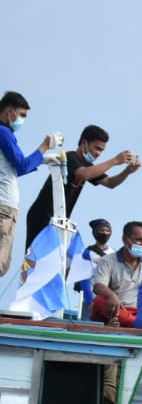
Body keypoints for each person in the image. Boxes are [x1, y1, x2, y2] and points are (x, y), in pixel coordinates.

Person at [25, 124, 140, 251]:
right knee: (34, 258)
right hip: (42, 216)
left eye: (102, 151)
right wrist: (114, 161)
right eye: (97, 148)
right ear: (84, 143)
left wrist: (127, 171)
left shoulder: (88, 166)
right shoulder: (69, 157)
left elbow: (110, 182)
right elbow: (84, 174)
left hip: (59, 221)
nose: (98, 153)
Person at [0, 91, 56, 275]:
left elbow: (15, 167)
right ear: (9, 112)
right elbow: (22, 165)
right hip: (4, 207)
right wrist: (44, 146)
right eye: (21, 115)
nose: (22, 120)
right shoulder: (3, 132)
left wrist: (41, 159)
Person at [89, 221, 142, 326]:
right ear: (125, 239)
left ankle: (133, 323)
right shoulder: (108, 260)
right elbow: (98, 287)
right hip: (116, 309)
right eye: (139, 240)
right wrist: (111, 295)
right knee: (99, 301)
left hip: (139, 312)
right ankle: (136, 324)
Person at [76, 218, 114, 317]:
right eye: (102, 230)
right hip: (92, 301)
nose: (105, 233)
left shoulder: (114, 253)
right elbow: (84, 279)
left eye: (107, 231)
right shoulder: (87, 253)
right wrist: (89, 301)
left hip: (109, 301)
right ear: (95, 232)